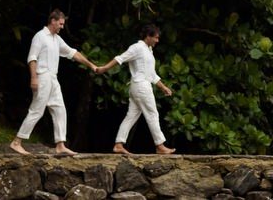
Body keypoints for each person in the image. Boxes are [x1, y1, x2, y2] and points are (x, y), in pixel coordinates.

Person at [10, 9, 99, 155]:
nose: (62, 27)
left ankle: (60, 145)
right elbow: (32, 58)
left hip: (53, 78)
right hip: (42, 76)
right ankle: (16, 142)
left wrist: (91, 65)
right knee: (37, 110)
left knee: (59, 109)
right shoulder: (40, 36)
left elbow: (73, 53)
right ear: (53, 21)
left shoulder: (56, 39)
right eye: (60, 24)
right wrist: (34, 77)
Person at [96, 24, 175, 155]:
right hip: (141, 86)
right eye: (155, 37)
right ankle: (160, 145)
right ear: (148, 36)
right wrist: (104, 68)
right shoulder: (137, 48)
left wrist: (163, 87)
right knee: (152, 114)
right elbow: (120, 58)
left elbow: (152, 74)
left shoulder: (148, 51)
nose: (157, 40)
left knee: (131, 116)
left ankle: (119, 144)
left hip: (139, 86)